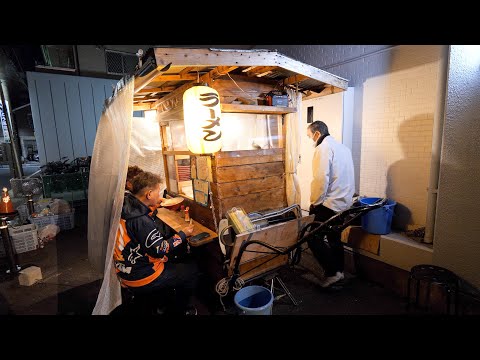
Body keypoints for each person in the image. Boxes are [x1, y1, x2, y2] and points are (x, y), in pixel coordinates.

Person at [113, 170, 198, 314]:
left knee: (168, 258)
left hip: (124, 268)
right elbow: (161, 249)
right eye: (158, 193)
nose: (159, 196)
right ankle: (179, 310)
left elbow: (147, 245)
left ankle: (160, 298)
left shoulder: (126, 204)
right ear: (149, 194)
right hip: (140, 275)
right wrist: (183, 234)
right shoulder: (141, 221)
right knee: (191, 271)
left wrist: (153, 205)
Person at [306, 121, 355, 288]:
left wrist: (314, 202)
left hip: (330, 204)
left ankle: (332, 273)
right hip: (344, 203)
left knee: (313, 238)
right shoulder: (344, 148)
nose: (311, 140)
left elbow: (321, 179)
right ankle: (339, 272)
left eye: (310, 136)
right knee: (334, 238)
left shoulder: (323, 148)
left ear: (317, 134)